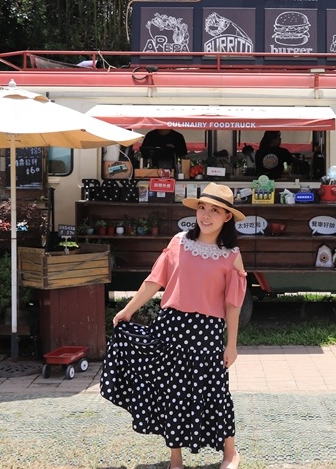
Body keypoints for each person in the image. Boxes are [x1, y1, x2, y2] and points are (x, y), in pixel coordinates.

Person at [101, 183, 246, 469]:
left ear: (226, 217)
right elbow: (154, 281)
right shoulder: (179, 241)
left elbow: (233, 305)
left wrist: (232, 344)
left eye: (214, 211)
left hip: (207, 333)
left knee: (215, 391)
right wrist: (128, 310)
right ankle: (175, 459)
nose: (205, 215)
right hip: (170, 327)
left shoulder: (231, 255)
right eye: (202, 208)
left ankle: (230, 454)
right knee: (172, 393)